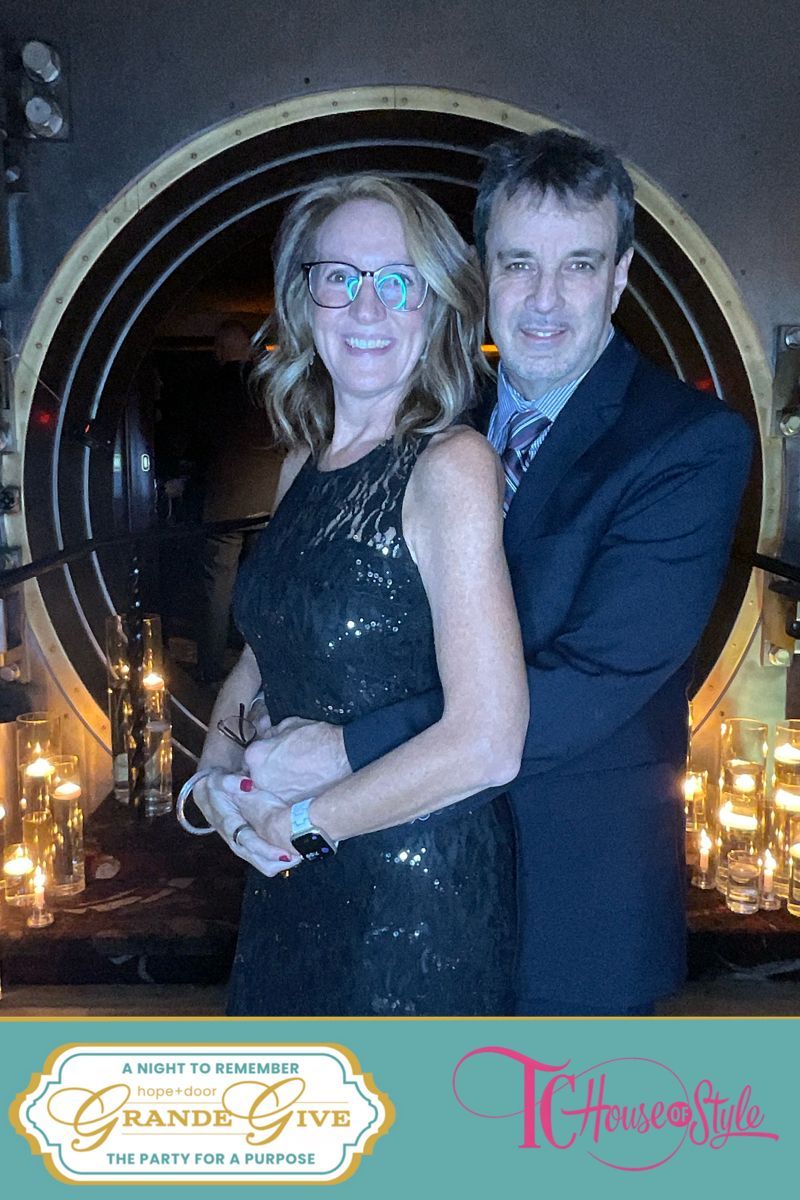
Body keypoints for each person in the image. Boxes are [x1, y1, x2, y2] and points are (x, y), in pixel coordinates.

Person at [224, 131, 753, 1017]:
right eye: (518, 263)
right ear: (477, 272)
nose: (544, 299)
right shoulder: (423, 410)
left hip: (570, 898)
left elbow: (590, 678)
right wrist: (234, 763)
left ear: (620, 275)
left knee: (518, 1117)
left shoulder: (687, 444)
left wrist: (344, 753)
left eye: (579, 265)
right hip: (384, 859)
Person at [190, 174, 528, 1015]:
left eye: (397, 280)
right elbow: (263, 654)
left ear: (436, 305)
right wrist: (218, 779)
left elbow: (490, 742)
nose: (367, 306)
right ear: (305, 301)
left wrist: (305, 823)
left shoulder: (452, 467)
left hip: (413, 895)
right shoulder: (300, 464)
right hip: (292, 868)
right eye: (340, 276)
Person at [195, 319, 283, 686]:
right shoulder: (272, 384)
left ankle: (211, 666)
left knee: (217, 586)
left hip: (226, 502)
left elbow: (198, 441)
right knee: (264, 583)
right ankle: (267, 664)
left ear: (219, 350)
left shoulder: (209, 389)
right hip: (270, 498)